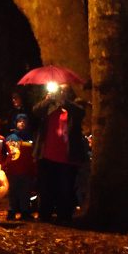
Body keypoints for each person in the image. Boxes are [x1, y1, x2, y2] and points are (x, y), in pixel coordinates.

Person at [32, 84, 88, 224]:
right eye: (59, 90)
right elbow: (36, 111)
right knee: (46, 187)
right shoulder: (50, 106)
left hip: (67, 157)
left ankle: (64, 215)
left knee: (65, 188)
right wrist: (48, 100)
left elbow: (80, 112)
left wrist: (64, 102)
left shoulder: (74, 105)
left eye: (63, 90)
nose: (60, 92)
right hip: (47, 155)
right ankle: (45, 214)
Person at [4, 114, 36, 221]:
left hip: (26, 170)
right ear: (16, 123)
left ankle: (24, 211)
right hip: (13, 170)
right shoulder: (11, 137)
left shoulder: (31, 138)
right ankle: (11, 211)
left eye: (24, 121)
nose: (22, 123)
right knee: (12, 191)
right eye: (19, 121)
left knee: (25, 192)